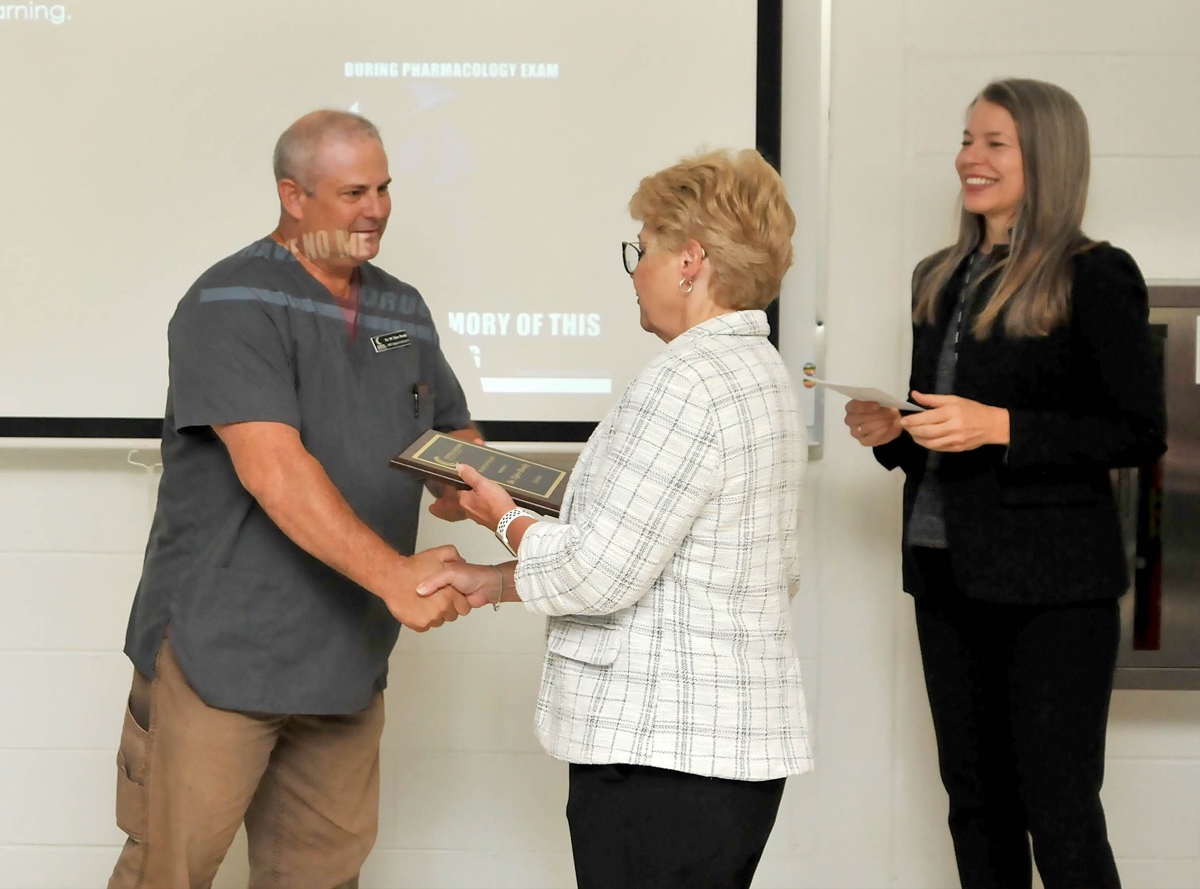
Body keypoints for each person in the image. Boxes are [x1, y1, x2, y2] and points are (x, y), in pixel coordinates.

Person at [418, 149, 812, 889]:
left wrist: (502, 516)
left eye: (645, 251)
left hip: (663, 759)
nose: (636, 271)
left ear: (690, 261)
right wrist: (492, 582)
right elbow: (651, 545)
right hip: (715, 757)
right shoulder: (756, 372)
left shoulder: (686, 383)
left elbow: (597, 573)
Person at [108, 110, 479, 888]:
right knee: (167, 872)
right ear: (293, 196)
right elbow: (275, 470)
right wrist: (397, 580)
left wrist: (474, 487)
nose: (375, 208)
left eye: (383, 188)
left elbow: (449, 431)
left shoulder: (400, 309)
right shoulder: (231, 302)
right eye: (352, 191)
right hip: (224, 655)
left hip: (345, 660)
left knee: (321, 878)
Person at [843, 79, 1165, 888]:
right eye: (966, 139)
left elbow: (1138, 432)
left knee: (1058, 807)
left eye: (994, 143)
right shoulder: (937, 276)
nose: (968, 159)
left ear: (1046, 158)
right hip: (946, 573)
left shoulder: (1096, 275)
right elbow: (942, 433)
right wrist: (895, 435)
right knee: (974, 803)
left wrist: (1004, 425)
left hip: (1054, 590)